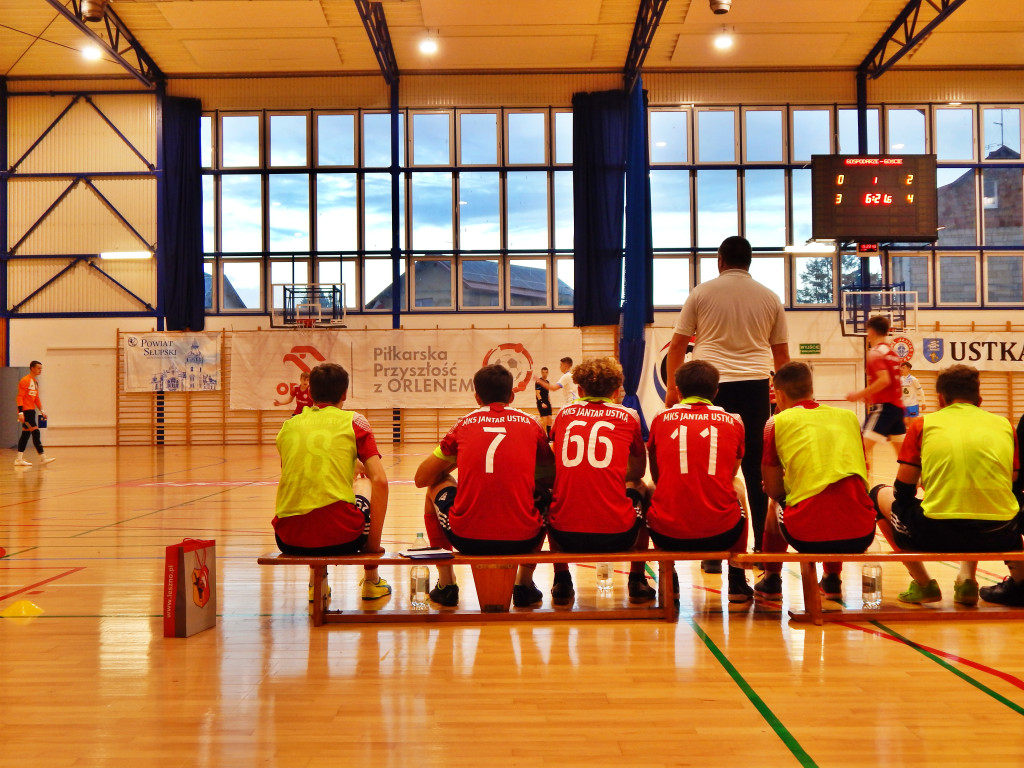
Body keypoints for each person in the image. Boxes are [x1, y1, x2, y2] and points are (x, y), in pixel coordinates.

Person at [664, 235, 790, 569]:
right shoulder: (770, 296)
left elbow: (677, 346)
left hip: (710, 387)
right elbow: (781, 355)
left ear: (720, 260)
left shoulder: (702, 292)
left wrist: (672, 393)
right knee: (757, 471)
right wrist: (787, 401)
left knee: (713, 469)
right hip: (754, 388)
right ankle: (763, 552)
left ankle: (712, 552)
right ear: (750, 261)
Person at [871, 364, 1023, 605]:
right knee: (985, 498)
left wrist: (929, 489)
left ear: (941, 399)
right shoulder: (1006, 426)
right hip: (998, 535)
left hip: (935, 534)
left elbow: (903, 490)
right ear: (980, 399)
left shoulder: (922, 425)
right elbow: (1013, 485)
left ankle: (923, 584)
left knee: (877, 494)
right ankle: (967, 581)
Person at [414, 364, 555, 607]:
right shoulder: (531, 424)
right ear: (511, 396)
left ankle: (446, 584)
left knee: (434, 487)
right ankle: (525, 585)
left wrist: (455, 462)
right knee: (546, 493)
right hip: (523, 538)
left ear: (477, 397)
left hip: (467, 538)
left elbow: (421, 478)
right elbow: (551, 476)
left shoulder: (463, 424)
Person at [755, 362, 876, 600]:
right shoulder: (848, 418)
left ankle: (771, 580)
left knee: (774, 505)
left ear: (778, 393)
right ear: (811, 388)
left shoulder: (776, 422)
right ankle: (832, 579)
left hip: (806, 535)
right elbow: (861, 470)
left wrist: (784, 489)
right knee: (844, 497)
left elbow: (772, 489)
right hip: (861, 532)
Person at [273, 363, 391, 601]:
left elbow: (301, 471)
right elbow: (381, 481)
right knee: (365, 483)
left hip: (288, 539)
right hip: (342, 537)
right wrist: (373, 547)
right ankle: (371, 580)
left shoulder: (288, 426)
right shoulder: (354, 422)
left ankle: (315, 586)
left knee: (310, 490)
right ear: (344, 394)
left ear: (311, 392)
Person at [547, 357, 656, 604]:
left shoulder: (564, 415)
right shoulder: (629, 416)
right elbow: (638, 470)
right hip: (618, 535)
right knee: (643, 487)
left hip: (564, 534)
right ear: (616, 392)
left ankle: (561, 580)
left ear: (580, 390)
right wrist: (611, 475)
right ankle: (637, 579)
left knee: (552, 491)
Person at [646, 361, 753, 602]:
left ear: (679, 391)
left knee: (652, 488)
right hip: (723, 533)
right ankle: (736, 579)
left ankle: (667, 576)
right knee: (737, 485)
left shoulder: (660, 418)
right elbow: (730, 472)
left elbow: (656, 474)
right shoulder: (734, 420)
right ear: (716, 392)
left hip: (667, 534)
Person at [846, 315, 905, 481]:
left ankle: (859, 491)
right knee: (905, 458)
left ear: (870, 331)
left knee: (858, 451)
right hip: (897, 408)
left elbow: (884, 380)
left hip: (884, 409)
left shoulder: (875, 353)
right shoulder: (892, 352)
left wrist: (859, 395)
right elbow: (892, 382)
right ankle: (916, 488)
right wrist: (872, 395)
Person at [15, 360, 55, 468]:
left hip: (31, 411)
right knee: (36, 432)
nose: (40, 370)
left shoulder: (35, 382)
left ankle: (19, 459)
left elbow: (36, 398)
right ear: (32, 368)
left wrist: (42, 411)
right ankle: (43, 457)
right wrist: (21, 413)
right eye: (38, 368)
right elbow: (20, 397)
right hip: (26, 412)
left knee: (26, 434)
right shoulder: (25, 381)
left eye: (41, 368)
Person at [535, 366, 553, 439]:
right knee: (544, 421)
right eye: (543, 372)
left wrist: (549, 403)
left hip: (547, 402)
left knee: (550, 420)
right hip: (541, 403)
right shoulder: (538, 381)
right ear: (541, 373)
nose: (544, 374)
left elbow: (547, 393)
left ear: (548, 373)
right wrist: (542, 403)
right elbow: (538, 393)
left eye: (546, 372)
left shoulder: (547, 382)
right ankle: (542, 437)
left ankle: (549, 437)